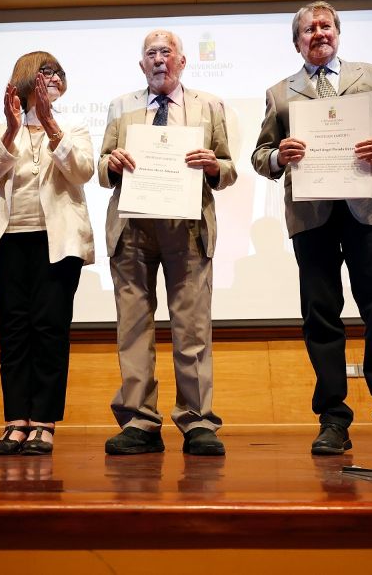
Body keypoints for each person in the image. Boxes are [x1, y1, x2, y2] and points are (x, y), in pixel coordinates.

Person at [251, 1, 372, 458]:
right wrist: (278, 157)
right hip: (311, 217)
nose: (318, 33)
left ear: (337, 33)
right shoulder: (279, 92)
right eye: (308, 29)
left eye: (325, 25)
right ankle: (333, 420)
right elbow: (261, 155)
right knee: (321, 317)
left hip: (367, 210)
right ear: (297, 42)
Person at [98, 29, 236, 457]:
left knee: (191, 327)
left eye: (167, 52)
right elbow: (102, 167)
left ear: (181, 61)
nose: (159, 59)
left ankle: (197, 421)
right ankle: (140, 421)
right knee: (133, 328)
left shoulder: (209, 104)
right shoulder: (121, 106)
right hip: (133, 228)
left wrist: (214, 165)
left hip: (188, 226)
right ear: (142, 64)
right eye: (151, 53)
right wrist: (113, 163)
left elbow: (228, 168)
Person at [0, 52, 95, 456]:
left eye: (59, 72)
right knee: (14, 331)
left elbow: (82, 173)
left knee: (50, 329)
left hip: (57, 244)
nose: (55, 77)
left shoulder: (73, 125)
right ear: (26, 80)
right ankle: (15, 422)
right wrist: (10, 132)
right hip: (10, 242)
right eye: (47, 72)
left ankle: (43, 422)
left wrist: (52, 125)